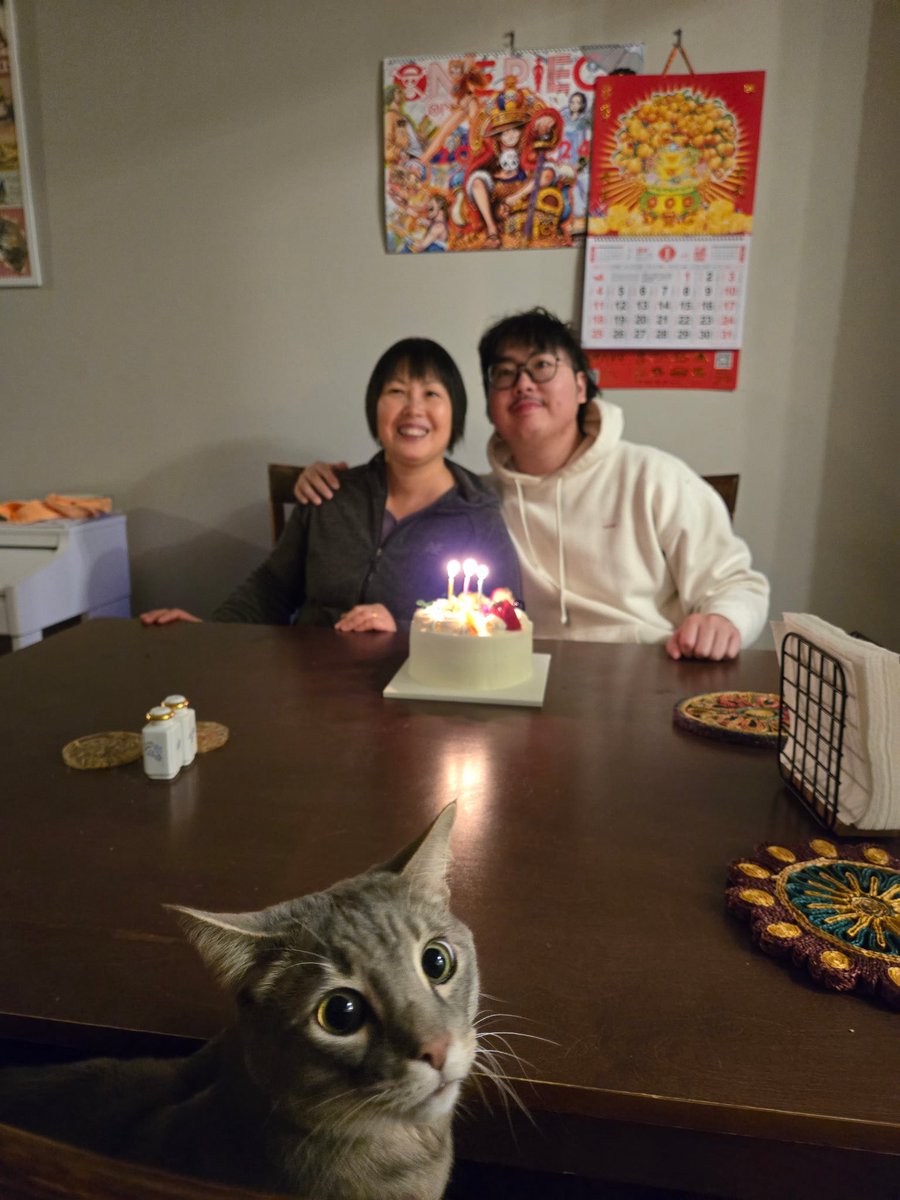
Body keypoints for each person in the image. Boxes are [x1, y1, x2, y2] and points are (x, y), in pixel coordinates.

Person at [293, 310, 770, 661]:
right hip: (519, 683)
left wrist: (723, 620)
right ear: (488, 406)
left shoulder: (653, 478)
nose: (522, 384)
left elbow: (735, 582)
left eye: (542, 366)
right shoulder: (477, 503)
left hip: (645, 675)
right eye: (505, 374)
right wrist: (325, 480)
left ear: (582, 386)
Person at [140, 338, 521, 634]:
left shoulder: (476, 513)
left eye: (431, 394)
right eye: (397, 392)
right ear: (375, 408)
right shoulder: (330, 493)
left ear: (455, 415)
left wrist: (407, 629)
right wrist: (211, 634)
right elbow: (273, 586)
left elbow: (505, 618)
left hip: (419, 694)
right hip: (311, 686)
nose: (413, 409)